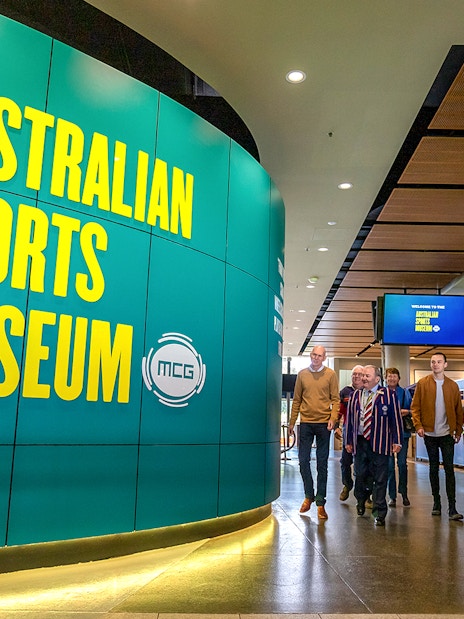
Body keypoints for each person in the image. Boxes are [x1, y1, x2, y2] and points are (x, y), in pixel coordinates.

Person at [345, 365, 403, 526]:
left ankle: (380, 512)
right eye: (362, 375)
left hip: (381, 442)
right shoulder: (355, 395)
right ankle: (361, 501)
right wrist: (348, 441)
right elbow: (349, 421)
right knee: (360, 475)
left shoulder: (389, 395)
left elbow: (396, 420)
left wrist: (397, 440)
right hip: (360, 441)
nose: (363, 378)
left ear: (377, 379)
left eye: (367, 376)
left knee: (380, 477)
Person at [410, 352, 464, 520]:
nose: (435, 364)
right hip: (429, 433)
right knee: (433, 468)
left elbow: (458, 411)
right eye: (433, 362)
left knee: (449, 470)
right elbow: (415, 407)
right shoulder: (423, 383)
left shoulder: (452, 386)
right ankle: (436, 503)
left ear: (445, 365)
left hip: (447, 433)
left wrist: (458, 430)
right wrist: (418, 426)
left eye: (439, 362)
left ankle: (452, 507)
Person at [289, 345, 340, 520]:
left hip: (324, 424)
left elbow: (335, 399)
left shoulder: (331, 375)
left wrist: (333, 418)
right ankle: (308, 495)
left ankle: (320, 502)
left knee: (322, 463)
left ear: (324, 357)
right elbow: (296, 400)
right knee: (303, 461)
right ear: (310, 355)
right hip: (306, 423)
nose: (316, 358)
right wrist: (291, 422)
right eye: (314, 355)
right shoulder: (302, 374)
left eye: (319, 356)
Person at [385, 368, 413, 507]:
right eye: (389, 376)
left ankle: (404, 492)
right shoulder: (381, 392)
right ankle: (392, 496)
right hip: (386, 434)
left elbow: (412, 409)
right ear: (385, 378)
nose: (392, 379)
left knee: (402, 464)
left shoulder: (404, 392)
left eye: (394, 376)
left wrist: (406, 411)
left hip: (402, 433)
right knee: (389, 466)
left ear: (398, 378)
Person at [337, 365, 364, 501]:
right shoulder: (345, 392)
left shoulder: (367, 391)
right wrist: (336, 426)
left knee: (363, 463)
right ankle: (347, 485)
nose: (356, 376)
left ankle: (365, 493)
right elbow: (339, 411)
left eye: (359, 374)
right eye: (354, 374)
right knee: (345, 461)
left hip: (364, 432)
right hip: (348, 430)